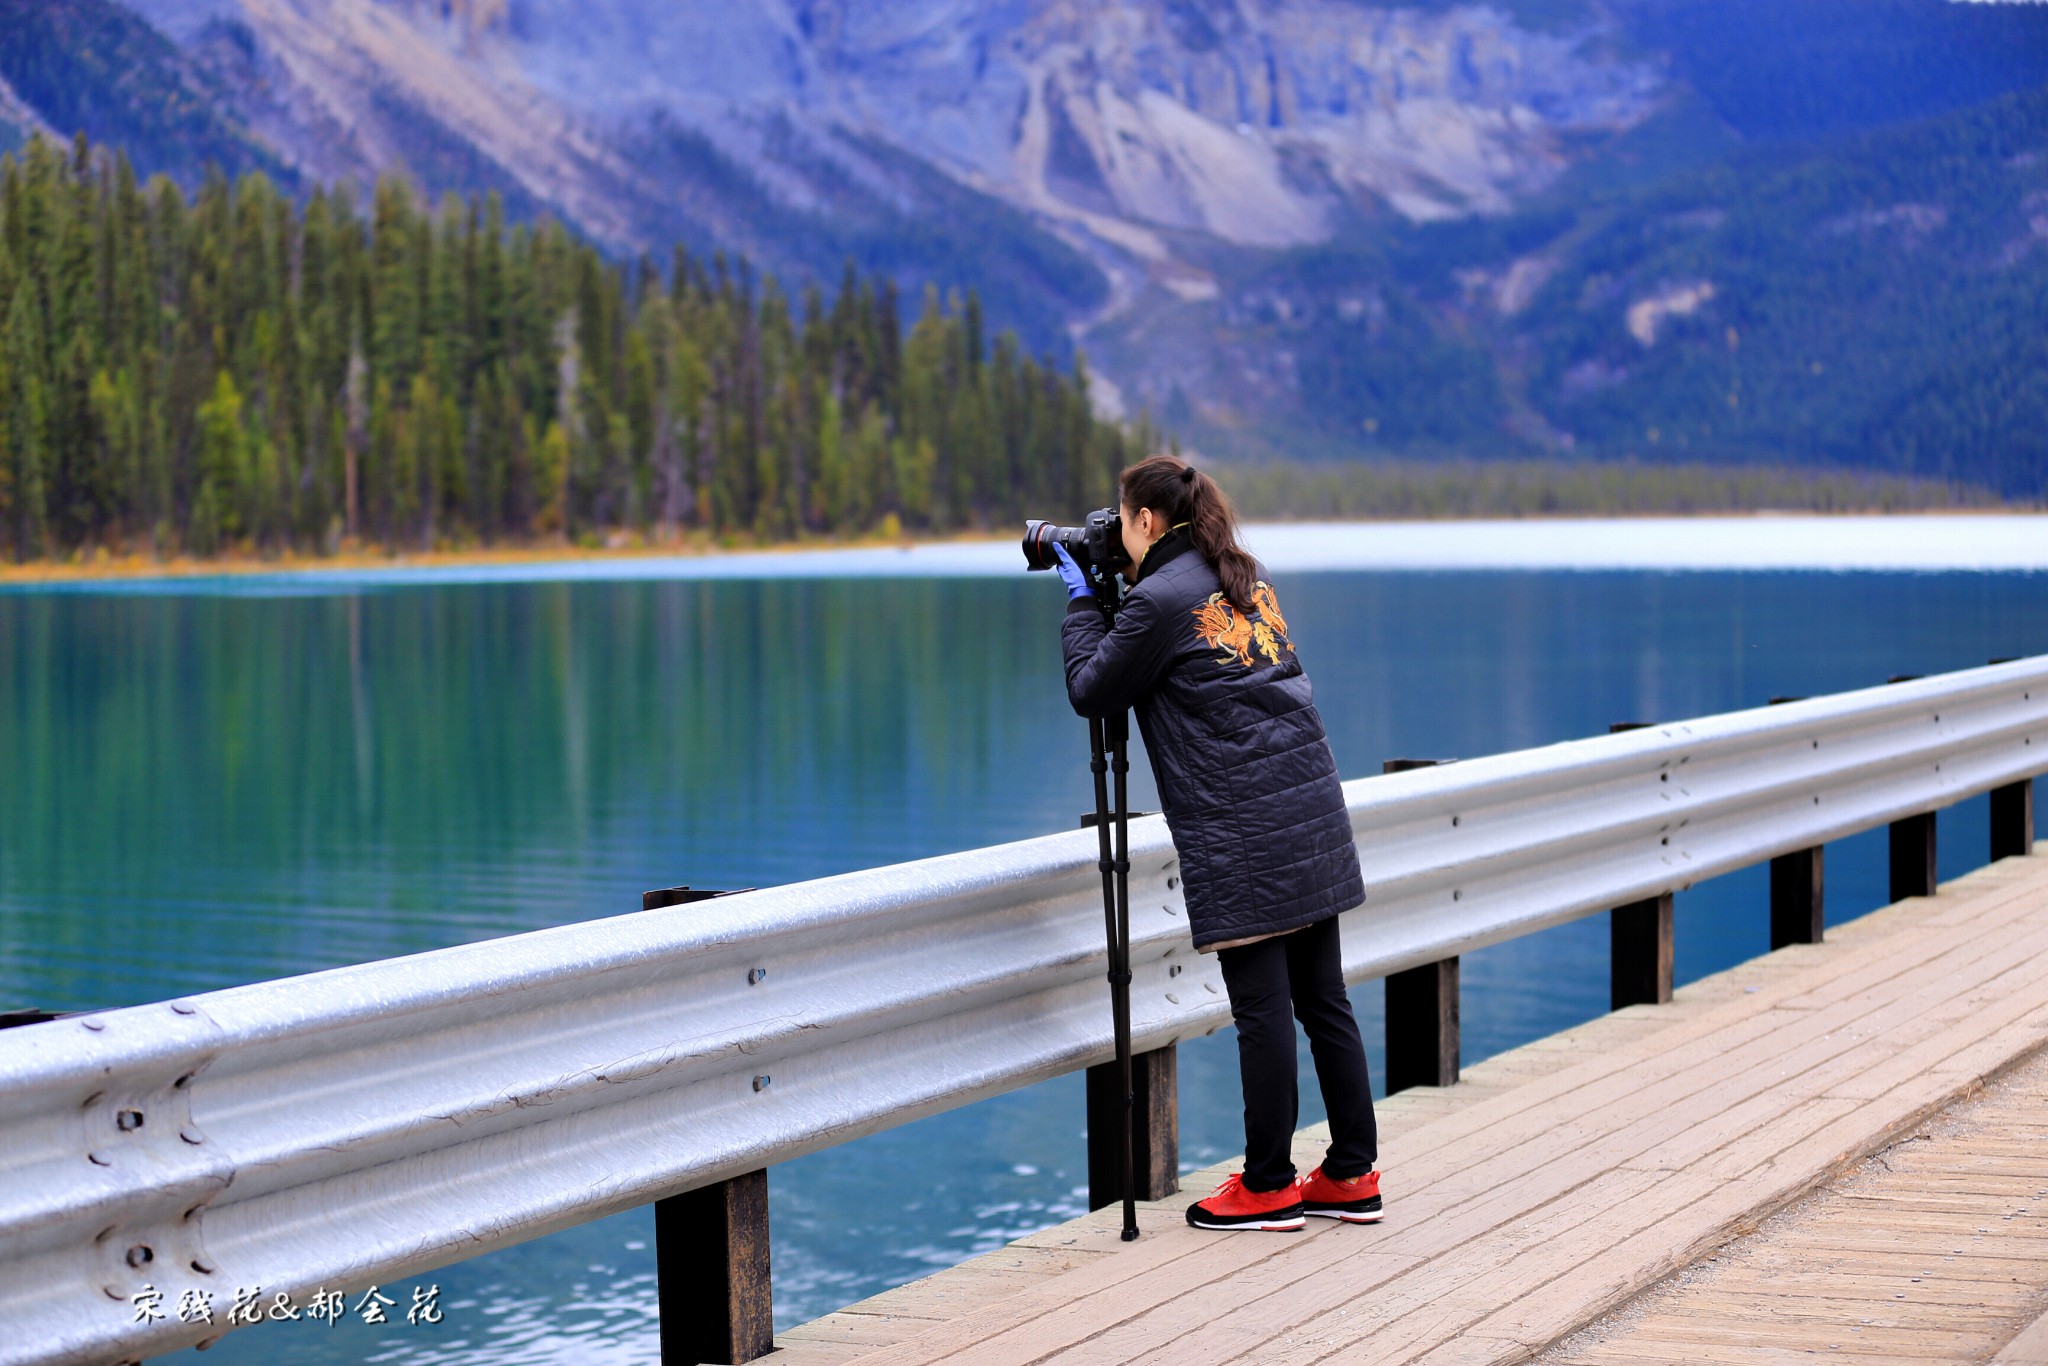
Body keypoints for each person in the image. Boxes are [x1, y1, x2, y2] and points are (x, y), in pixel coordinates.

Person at [1048, 453, 1382, 1232]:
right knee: (1323, 1000)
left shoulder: (1160, 600)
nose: (1117, 533)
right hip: (1309, 813)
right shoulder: (1242, 572)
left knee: (1263, 1009)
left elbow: (1091, 689)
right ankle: (1352, 1173)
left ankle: (1268, 1186)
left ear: (1146, 521)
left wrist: (1080, 604)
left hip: (1244, 830)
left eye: (1121, 519)